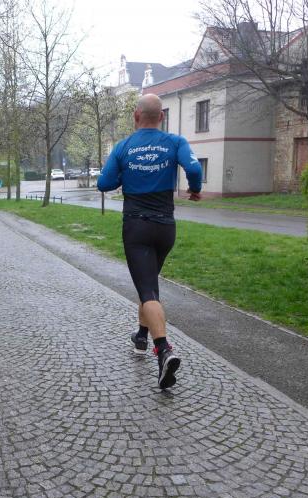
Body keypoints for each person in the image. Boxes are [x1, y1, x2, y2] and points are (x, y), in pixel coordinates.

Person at [97, 93, 202, 390]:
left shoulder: (124, 146)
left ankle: (164, 349)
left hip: (137, 227)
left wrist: (126, 174)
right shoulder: (175, 142)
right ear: (162, 117)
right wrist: (194, 189)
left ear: (136, 116)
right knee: (149, 284)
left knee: (148, 291)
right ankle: (141, 337)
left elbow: (104, 183)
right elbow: (194, 169)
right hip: (166, 227)